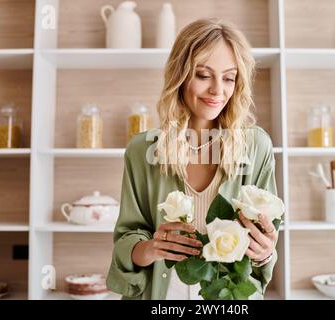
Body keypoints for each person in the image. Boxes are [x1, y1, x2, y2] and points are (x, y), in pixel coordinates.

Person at [106, 18, 279, 300]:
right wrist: (151, 248)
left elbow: (264, 250)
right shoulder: (142, 150)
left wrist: (264, 252)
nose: (217, 90)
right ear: (181, 74)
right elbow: (127, 237)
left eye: (229, 77)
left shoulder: (256, 146)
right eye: (203, 74)